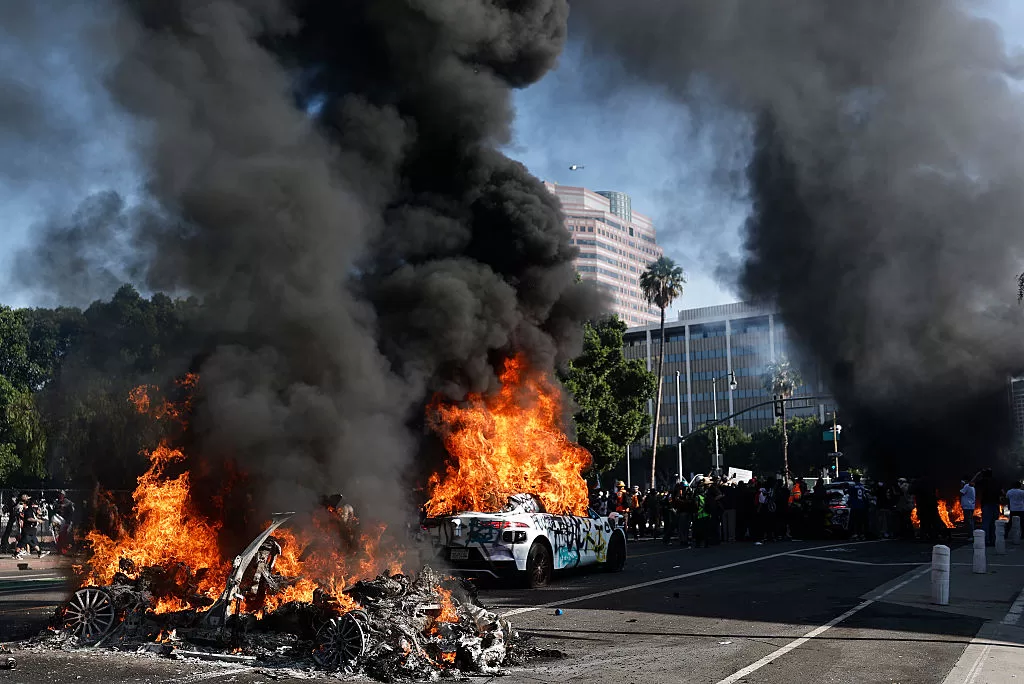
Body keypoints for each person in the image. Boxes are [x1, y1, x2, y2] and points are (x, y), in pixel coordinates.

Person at [973, 469, 999, 546]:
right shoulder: (996, 481)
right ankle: (993, 540)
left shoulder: (983, 481)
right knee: (993, 524)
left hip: (987, 504)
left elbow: (971, 483)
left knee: (986, 524)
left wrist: (977, 474)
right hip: (996, 505)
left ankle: (986, 541)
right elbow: (1002, 492)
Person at [848, 474, 868, 540]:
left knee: (854, 520)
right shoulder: (862, 486)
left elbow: (850, 495)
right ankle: (861, 534)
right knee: (860, 521)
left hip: (855, 506)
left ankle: (855, 534)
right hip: (861, 505)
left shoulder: (853, 486)